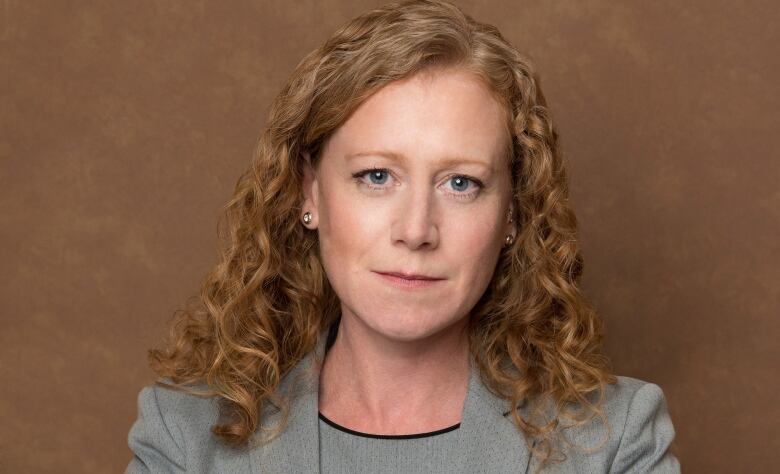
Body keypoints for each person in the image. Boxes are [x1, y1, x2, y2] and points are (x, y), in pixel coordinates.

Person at [125, 1, 680, 472]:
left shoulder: (611, 443)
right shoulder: (185, 438)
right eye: (376, 177)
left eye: (461, 183)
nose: (416, 231)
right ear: (309, 194)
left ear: (513, 214)